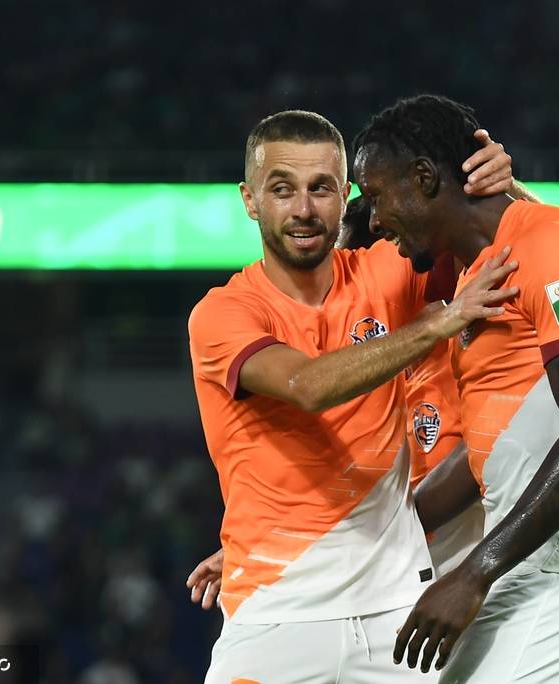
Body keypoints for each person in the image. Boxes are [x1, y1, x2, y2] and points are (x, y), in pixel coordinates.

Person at [188, 109, 519, 684]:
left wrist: (505, 189)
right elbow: (307, 386)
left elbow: (530, 250)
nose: (303, 209)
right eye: (282, 189)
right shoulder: (223, 313)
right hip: (276, 614)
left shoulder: (387, 272)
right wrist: (435, 324)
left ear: (347, 197)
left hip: (398, 617)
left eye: (321, 189)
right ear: (249, 200)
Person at [353, 94, 559, 682]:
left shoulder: (553, 245)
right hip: (526, 569)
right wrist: (341, 539)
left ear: (424, 178)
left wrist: (473, 572)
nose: (375, 220)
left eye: (377, 196)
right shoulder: (477, 275)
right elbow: (488, 455)